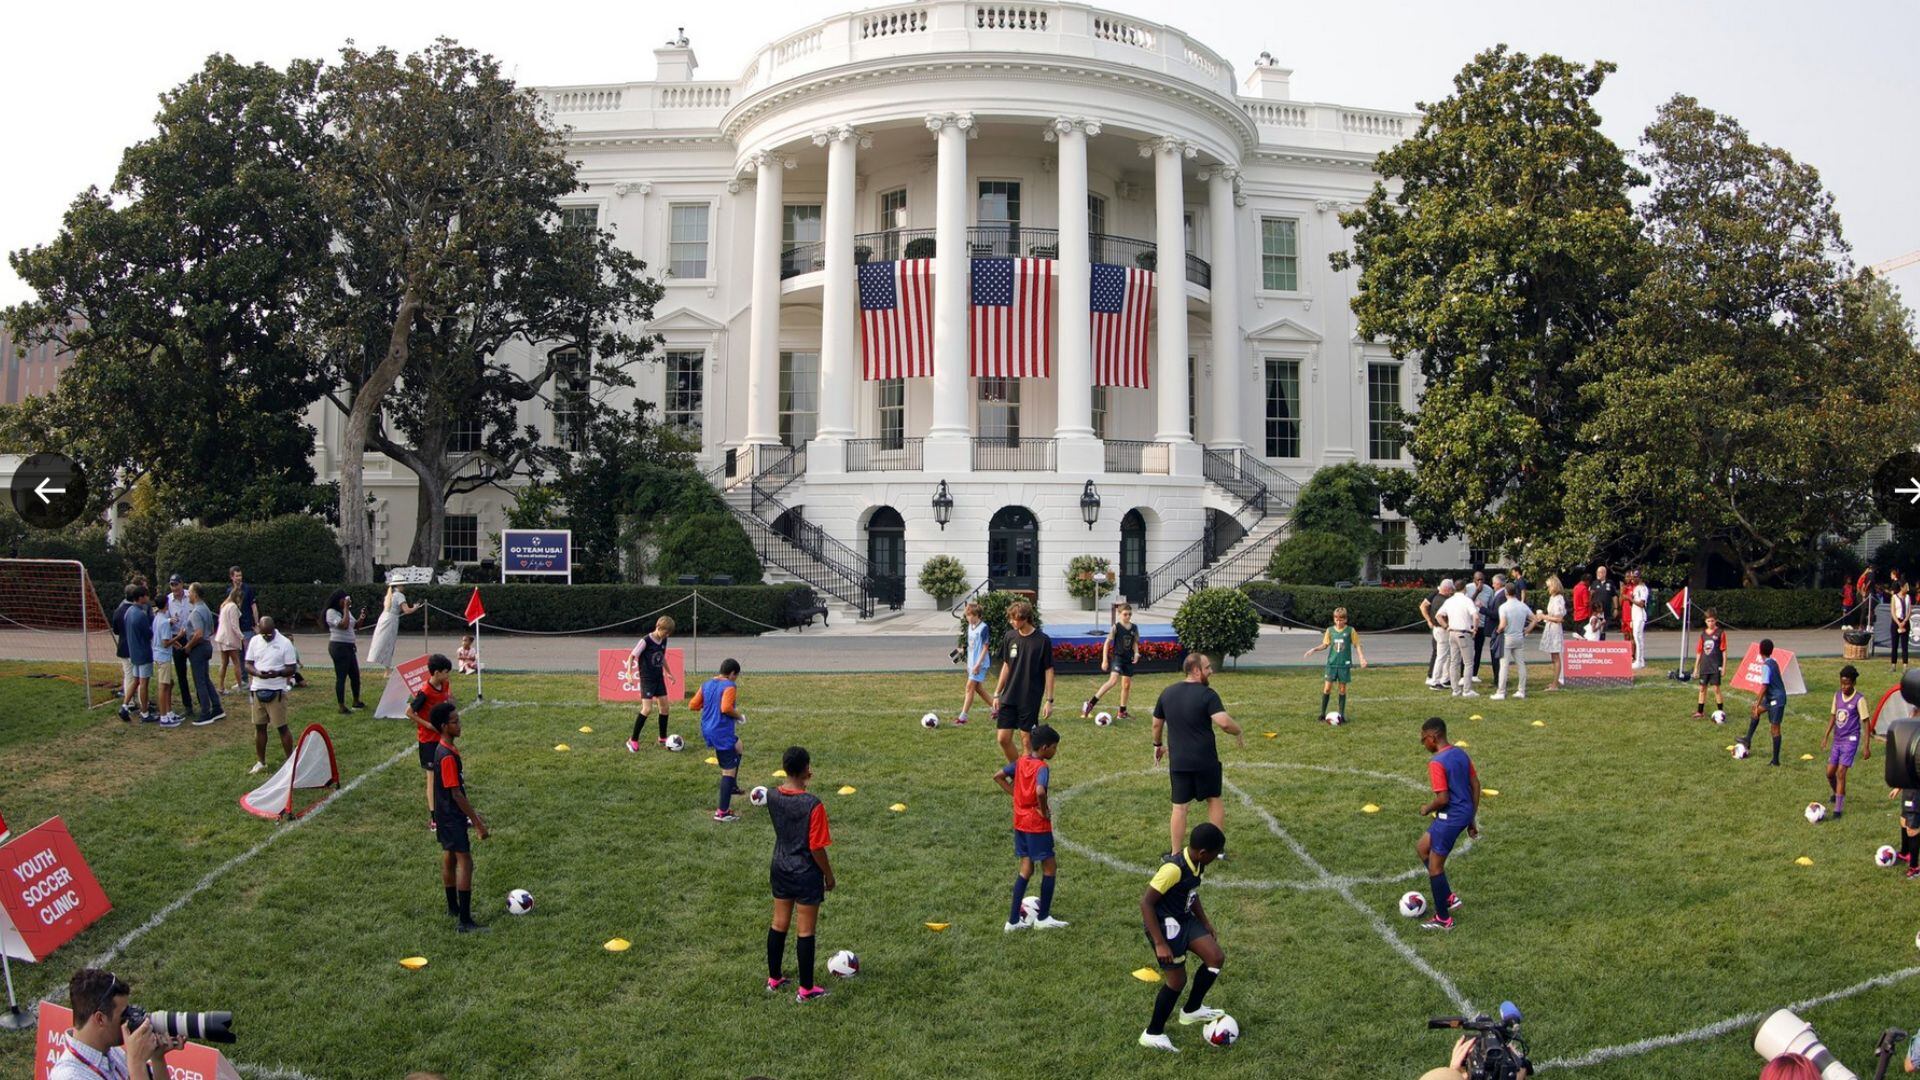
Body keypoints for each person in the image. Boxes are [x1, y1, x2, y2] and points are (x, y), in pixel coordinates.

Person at [1137, 821, 1228, 1054]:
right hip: (1166, 928)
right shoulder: (1173, 868)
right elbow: (1146, 903)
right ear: (1203, 852)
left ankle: (1192, 1010)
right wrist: (1160, 943)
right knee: (1177, 981)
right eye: (1215, 854)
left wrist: (1205, 922)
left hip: (1185, 919)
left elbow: (1191, 892)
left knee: (1215, 958)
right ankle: (1153, 1033)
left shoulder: (1197, 862)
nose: (1216, 858)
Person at [1152, 653, 1243, 858]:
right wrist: (1238, 731)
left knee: (1180, 807)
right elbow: (1224, 722)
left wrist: (1157, 745)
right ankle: (1216, 850)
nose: (1211, 671)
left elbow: (1157, 723)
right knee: (1214, 800)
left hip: (1179, 761)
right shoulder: (1207, 694)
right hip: (1205, 760)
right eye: (1207, 667)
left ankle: (1175, 854)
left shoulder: (1167, 693)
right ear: (1196, 670)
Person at [766, 745, 835, 1003]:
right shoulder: (813, 805)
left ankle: (774, 979)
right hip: (805, 872)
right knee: (805, 929)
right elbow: (816, 847)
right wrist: (828, 874)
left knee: (779, 922)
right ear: (807, 770)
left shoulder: (772, 796)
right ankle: (806, 990)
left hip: (780, 866)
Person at [48, 968, 183, 1080]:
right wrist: (136, 1064)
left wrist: (157, 1058)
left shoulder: (111, 1051)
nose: (129, 1020)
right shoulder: (69, 1076)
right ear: (100, 1019)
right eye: (124, 1015)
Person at [996, 723, 1066, 932]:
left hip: (1020, 822)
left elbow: (998, 776)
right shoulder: (1042, 767)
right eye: (1054, 747)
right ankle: (1043, 918)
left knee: (1026, 868)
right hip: (1036, 825)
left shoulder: (1020, 761)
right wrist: (1043, 811)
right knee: (1049, 867)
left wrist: (1016, 795)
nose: (1055, 751)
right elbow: (1040, 791)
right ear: (1044, 747)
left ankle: (1013, 921)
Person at [429, 701, 490, 933]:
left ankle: (453, 907)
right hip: (452, 816)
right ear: (444, 726)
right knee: (466, 862)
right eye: (455, 722)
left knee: (450, 857)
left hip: (443, 815)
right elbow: (456, 793)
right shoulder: (446, 756)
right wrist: (477, 822)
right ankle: (465, 921)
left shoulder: (444, 748)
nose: (460, 725)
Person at [1417, 717, 1478, 932]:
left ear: (1433, 738)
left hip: (1449, 818)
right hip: (1461, 814)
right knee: (1423, 848)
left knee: (1435, 867)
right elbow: (1475, 784)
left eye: (1423, 739)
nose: (1423, 743)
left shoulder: (1436, 763)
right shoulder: (1460, 753)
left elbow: (1442, 798)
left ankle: (1443, 919)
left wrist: (1427, 808)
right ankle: (1448, 896)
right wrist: (1471, 817)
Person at [990, 601, 1054, 764]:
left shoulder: (1042, 640)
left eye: (1015, 619)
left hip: (1029, 698)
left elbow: (1049, 670)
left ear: (1026, 619)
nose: (1012, 622)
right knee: (1003, 738)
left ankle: (1026, 776)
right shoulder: (1010, 636)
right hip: (1009, 695)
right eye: (1011, 618)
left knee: (1027, 741)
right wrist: (997, 693)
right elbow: (1006, 666)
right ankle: (1019, 770)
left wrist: (1049, 700)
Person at [692, 659, 745, 823]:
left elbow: (693, 705)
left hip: (707, 729)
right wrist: (740, 716)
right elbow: (726, 708)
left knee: (739, 746)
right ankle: (722, 812)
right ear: (732, 674)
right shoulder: (730, 685)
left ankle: (733, 786)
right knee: (728, 769)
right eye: (736, 676)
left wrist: (710, 704)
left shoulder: (706, 684)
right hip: (721, 732)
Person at [244, 617, 299, 774]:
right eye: (264, 634)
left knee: (282, 727)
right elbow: (248, 663)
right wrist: (257, 673)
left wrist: (277, 673)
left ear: (274, 629)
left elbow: (291, 668)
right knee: (259, 727)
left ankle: (290, 762)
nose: (267, 637)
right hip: (258, 689)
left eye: (269, 634)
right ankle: (261, 762)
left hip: (276, 691)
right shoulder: (255, 641)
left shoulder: (284, 643)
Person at [410, 655, 455, 826]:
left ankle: (449, 808)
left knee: (447, 772)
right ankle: (435, 818)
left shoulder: (444, 684)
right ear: (436, 673)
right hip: (428, 740)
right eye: (446, 673)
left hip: (443, 737)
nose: (448, 676)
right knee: (433, 778)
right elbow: (409, 712)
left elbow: (447, 698)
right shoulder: (425, 692)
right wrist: (428, 725)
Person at [1820, 665, 1868, 820]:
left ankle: (1838, 809)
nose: (1844, 687)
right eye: (1842, 683)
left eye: (1847, 684)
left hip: (1851, 740)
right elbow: (1833, 716)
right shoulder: (1837, 696)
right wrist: (1826, 736)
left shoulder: (1859, 700)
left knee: (1841, 772)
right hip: (1838, 739)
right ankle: (1837, 793)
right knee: (1829, 773)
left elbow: (1866, 722)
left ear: (1853, 683)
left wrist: (1866, 746)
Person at [1303, 606, 1366, 721]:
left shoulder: (1350, 630)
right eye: (1336, 619)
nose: (1338, 622)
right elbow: (1325, 644)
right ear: (1334, 619)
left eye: (1341, 620)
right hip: (1331, 664)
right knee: (1327, 688)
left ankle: (1341, 715)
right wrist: (1314, 649)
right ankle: (1322, 714)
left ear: (1345, 620)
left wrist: (1362, 658)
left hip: (1343, 664)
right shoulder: (1330, 630)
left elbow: (1357, 645)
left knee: (1342, 689)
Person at [1082, 602, 1140, 721]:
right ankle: (1090, 703)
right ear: (1119, 614)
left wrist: (1136, 653)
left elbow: (1134, 642)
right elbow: (1107, 643)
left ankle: (1122, 712)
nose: (1128, 616)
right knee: (1112, 681)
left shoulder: (1134, 628)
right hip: (1118, 658)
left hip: (1128, 659)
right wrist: (1105, 660)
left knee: (1126, 685)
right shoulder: (1116, 627)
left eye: (1130, 614)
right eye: (1125, 614)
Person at [627, 616, 676, 752]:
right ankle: (633, 740)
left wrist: (669, 673)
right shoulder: (645, 641)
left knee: (665, 707)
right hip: (647, 679)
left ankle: (662, 737)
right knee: (647, 709)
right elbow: (632, 656)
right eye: (665, 633)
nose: (666, 636)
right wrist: (629, 673)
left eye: (668, 634)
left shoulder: (664, 639)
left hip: (658, 678)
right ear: (658, 627)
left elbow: (662, 657)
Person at [1741, 638, 1789, 766]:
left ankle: (1775, 760)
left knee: (1775, 728)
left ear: (1760, 651)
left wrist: (1757, 701)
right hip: (1772, 697)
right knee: (1755, 712)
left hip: (1777, 699)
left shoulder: (1766, 666)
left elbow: (1764, 686)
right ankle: (1747, 739)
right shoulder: (1773, 662)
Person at [182, 584, 223, 725]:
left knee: (199, 680)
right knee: (205, 678)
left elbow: (198, 634)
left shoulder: (196, 612)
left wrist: (188, 645)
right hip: (206, 645)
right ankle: (217, 707)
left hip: (198, 648)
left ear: (196, 594)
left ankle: (205, 712)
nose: (188, 595)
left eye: (190, 592)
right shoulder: (205, 608)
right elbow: (211, 629)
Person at [1493, 582, 1539, 700]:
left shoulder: (1503, 607)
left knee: (1504, 665)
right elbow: (1534, 619)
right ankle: (1521, 690)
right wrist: (1527, 630)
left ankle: (1501, 691)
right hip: (1519, 637)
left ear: (1506, 593)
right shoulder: (1522, 606)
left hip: (1507, 637)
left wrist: (1498, 631)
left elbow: (1503, 624)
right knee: (1521, 664)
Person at [324, 590, 367, 715]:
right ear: (338, 600)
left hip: (349, 647)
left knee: (355, 675)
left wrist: (361, 618)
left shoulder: (345, 611)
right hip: (338, 647)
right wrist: (346, 609)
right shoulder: (331, 612)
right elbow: (343, 625)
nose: (346, 601)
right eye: (344, 599)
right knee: (341, 676)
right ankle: (341, 705)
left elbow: (355, 626)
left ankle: (356, 700)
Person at [365, 578, 422, 671]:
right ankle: (387, 669)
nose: (404, 587)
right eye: (402, 585)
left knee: (381, 641)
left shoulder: (389, 595)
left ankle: (382, 665)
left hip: (384, 617)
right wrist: (415, 607)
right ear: (398, 585)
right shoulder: (399, 595)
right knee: (389, 643)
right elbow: (407, 610)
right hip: (391, 619)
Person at [1439, 579, 1480, 697]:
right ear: (1465, 588)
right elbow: (1476, 617)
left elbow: (1439, 616)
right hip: (1464, 633)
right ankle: (1467, 690)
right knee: (1468, 662)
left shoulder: (1449, 601)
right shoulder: (1467, 600)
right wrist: (1475, 629)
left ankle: (1455, 689)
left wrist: (1447, 627)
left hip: (1452, 633)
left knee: (1454, 662)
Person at [162, 575, 195, 717]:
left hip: (192, 637)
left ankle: (203, 701)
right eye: (172, 585)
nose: (174, 588)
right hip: (177, 639)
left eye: (176, 584)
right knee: (181, 674)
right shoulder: (168, 600)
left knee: (197, 671)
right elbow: (163, 620)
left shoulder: (190, 596)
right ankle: (187, 705)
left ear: (182, 584)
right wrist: (170, 621)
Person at [123, 585, 155, 723]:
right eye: (146, 596)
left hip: (133, 652)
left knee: (135, 681)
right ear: (141, 597)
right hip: (143, 652)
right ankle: (145, 712)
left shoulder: (128, 612)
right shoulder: (141, 615)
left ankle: (124, 705)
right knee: (143, 683)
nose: (148, 599)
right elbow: (149, 634)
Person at [149, 599, 181, 728]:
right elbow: (165, 642)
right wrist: (179, 637)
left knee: (169, 683)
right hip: (163, 656)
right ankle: (164, 717)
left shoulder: (158, 618)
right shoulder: (164, 623)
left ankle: (168, 712)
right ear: (166, 605)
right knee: (163, 686)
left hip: (159, 655)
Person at [956, 601, 989, 725]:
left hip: (980, 664)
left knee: (969, 687)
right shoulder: (970, 626)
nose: (968, 618)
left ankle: (963, 717)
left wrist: (977, 665)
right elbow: (971, 645)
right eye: (967, 615)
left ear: (977, 615)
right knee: (978, 689)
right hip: (972, 663)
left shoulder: (984, 628)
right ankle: (997, 709)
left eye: (971, 615)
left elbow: (985, 647)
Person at [111, 581, 140, 717]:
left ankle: (131, 701)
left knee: (128, 675)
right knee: (138, 676)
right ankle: (138, 700)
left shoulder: (119, 610)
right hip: (134, 647)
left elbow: (115, 630)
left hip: (122, 647)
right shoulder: (136, 611)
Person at [1692, 611, 1728, 719]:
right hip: (1705, 665)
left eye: (1712, 621)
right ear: (1705, 621)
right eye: (1708, 621)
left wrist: (1724, 667)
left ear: (1716, 621)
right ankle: (1700, 711)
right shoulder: (1703, 634)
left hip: (1715, 665)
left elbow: (1724, 651)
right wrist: (1696, 668)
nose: (1710, 623)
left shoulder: (1720, 633)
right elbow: (1699, 652)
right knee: (1702, 688)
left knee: (1716, 689)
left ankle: (1721, 712)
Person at [1421, 580, 1456, 690]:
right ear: (1446, 589)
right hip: (1442, 630)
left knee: (1446, 656)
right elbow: (1440, 616)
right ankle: (1435, 681)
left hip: (1438, 629)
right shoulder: (1444, 601)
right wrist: (1447, 626)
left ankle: (1445, 679)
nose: (1452, 592)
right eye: (1450, 590)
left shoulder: (1436, 598)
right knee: (1441, 656)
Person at [214, 584, 246, 692]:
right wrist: (242, 637)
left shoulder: (224, 605)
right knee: (236, 662)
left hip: (221, 637)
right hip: (229, 638)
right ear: (237, 597)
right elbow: (234, 625)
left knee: (224, 663)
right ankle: (240, 685)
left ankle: (221, 686)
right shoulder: (232, 607)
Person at [1541, 575, 1567, 690]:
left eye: (1549, 586)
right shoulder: (1553, 597)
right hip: (1551, 627)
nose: (1548, 589)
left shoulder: (1558, 598)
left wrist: (1545, 616)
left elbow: (1559, 618)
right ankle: (1554, 681)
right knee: (1553, 656)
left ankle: (1555, 684)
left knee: (1556, 657)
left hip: (1555, 629)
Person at [1893, 780, 1920, 881]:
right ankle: (1905, 854)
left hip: (1916, 794)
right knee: (1903, 821)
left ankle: (1915, 868)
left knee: (1912, 828)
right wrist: (1899, 787)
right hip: (1908, 791)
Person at [229, 566, 260, 643]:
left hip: (247, 626)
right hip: (235, 627)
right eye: (237, 576)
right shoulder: (229, 591)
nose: (239, 578)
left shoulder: (248, 589)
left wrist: (257, 624)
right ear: (231, 577)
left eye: (240, 575)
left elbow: (254, 607)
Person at [1627, 570, 1650, 670]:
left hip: (1640, 616)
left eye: (1634, 577)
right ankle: (1640, 660)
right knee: (1637, 638)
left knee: (1638, 638)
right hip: (1635, 616)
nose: (1632, 579)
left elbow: (1641, 604)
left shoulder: (1643, 588)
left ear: (1639, 578)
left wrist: (1630, 599)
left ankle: (1639, 661)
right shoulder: (1636, 588)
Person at [1591, 565, 1617, 642]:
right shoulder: (1594, 583)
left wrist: (1616, 608)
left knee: (1603, 629)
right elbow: (1590, 596)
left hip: (1606, 611)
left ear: (1604, 573)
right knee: (1595, 629)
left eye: (1600, 572)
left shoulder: (1610, 583)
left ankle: (1602, 645)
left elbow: (1614, 596)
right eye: (1597, 572)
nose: (1598, 574)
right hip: (1596, 612)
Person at [1893, 582, 1912, 668]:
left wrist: (1904, 621)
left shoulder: (1908, 597)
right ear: (1901, 587)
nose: (1907, 589)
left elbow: (1909, 611)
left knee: (1905, 645)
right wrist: (1898, 623)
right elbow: (1893, 612)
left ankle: (1905, 665)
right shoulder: (1894, 597)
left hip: (1905, 621)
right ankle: (1893, 664)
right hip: (1896, 621)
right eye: (1906, 587)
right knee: (1895, 645)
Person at [1571, 573, 1593, 642]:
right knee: (1584, 636)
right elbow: (1586, 602)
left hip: (1576, 614)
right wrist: (1591, 595)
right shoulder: (1584, 589)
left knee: (1578, 635)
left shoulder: (1576, 587)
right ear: (1587, 581)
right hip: (1583, 615)